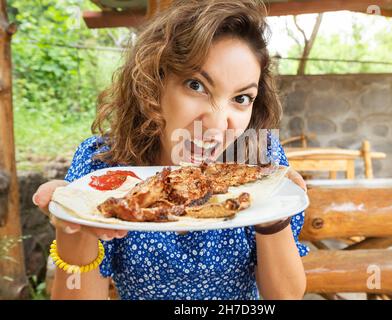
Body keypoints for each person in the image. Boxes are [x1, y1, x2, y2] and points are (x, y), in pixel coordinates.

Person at [32, 0, 309, 300]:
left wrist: (273, 214)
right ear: (155, 82)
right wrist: (76, 225)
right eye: (196, 85)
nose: (217, 124)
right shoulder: (102, 166)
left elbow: (286, 296)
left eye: (241, 98)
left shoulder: (258, 160)